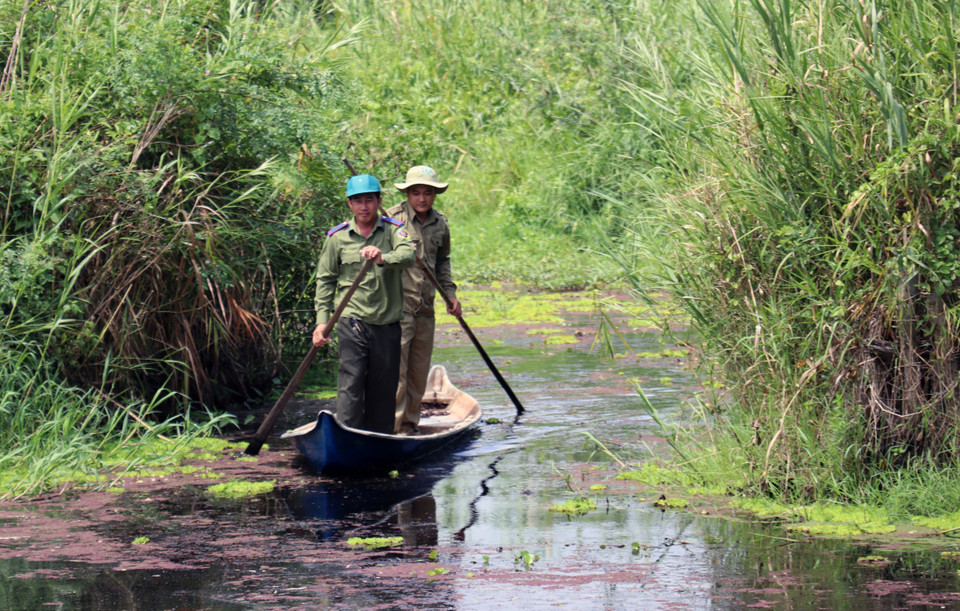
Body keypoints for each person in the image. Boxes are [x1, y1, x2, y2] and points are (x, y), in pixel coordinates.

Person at [313, 174, 415, 433]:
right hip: (351, 319)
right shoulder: (337, 237)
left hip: (387, 321)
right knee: (351, 380)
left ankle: (379, 438)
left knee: (383, 385)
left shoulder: (393, 229)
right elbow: (325, 281)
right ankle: (347, 435)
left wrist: (383, 258)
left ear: (379, 201)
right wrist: (321, 323)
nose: (364, 206)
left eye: (369, 200)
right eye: (357, 201)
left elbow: (408, 254)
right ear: (350, 204)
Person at [387, 165, 462, 435]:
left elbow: (443, 263)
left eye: (428, 193)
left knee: (418, 375)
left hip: (426, 310)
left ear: (434, 195)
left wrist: (450, 295)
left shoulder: (440, 223)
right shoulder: (391, 220)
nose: (422, 198)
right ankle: (393, 429)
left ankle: (409, 427)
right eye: (416, 192)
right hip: (398, 310)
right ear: (407, 194)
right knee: (397, 375)